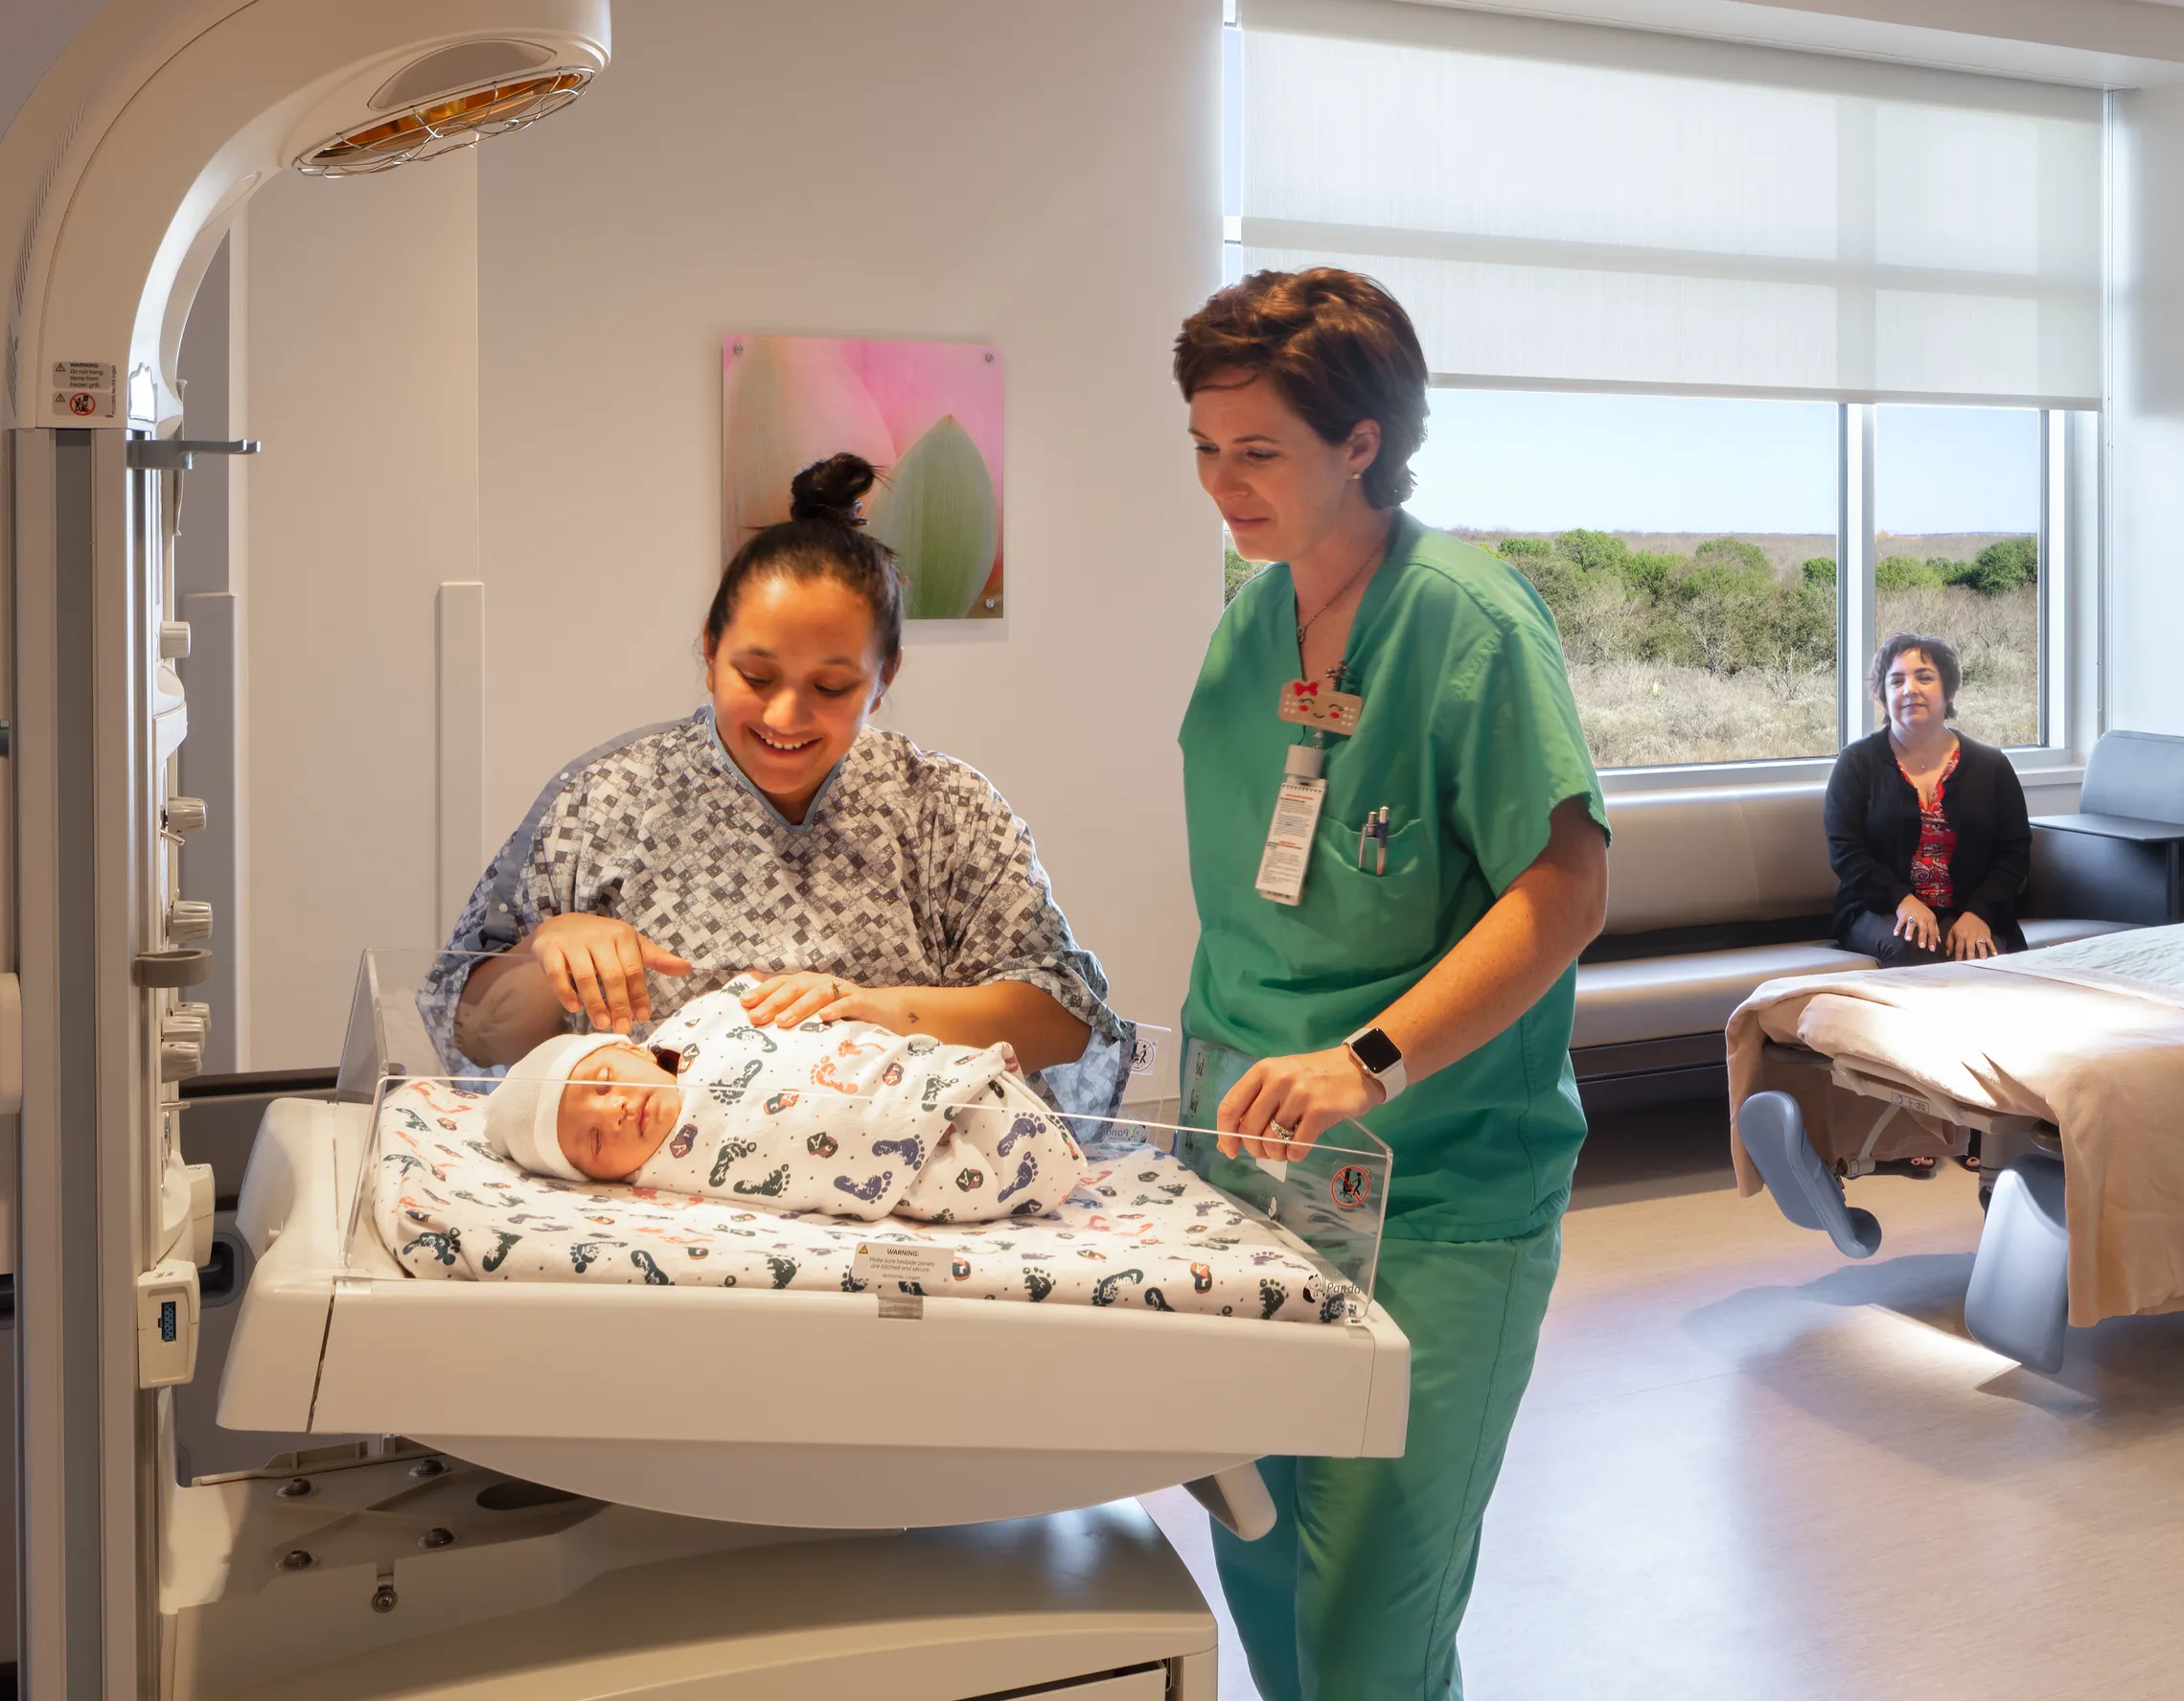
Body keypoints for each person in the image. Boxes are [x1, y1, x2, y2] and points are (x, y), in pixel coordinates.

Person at [1172, 266, 1609, 1701]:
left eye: (1258, 451)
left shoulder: (1470, 626)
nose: (1222, 484)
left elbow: (1564, 888)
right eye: (1204, 445)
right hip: (1250, 1175)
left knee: (1372, 1616)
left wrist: (1363, 1062)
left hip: (1433, 1193)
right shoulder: (1249, 624)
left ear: (1362, 443)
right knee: (1261, 1551)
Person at [432, 454, 1118, 1100]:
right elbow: (469, 1035)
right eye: (756, 677)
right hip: (649, 1184)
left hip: (885, 1190)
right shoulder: (606, 801)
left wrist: (871, 1010)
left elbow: (1063, 1017)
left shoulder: (946, 810)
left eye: (831, 686)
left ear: (884, 679)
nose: (786, 715)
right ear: (709, 649)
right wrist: (550, 953)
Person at [478, 979, 1082, 1220]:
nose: (612, 1113)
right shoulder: (663, 1184)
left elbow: (758, 1007)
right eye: (593, 1140)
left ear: (631, 1049)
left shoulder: (695, 1028)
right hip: (922, 1171)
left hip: (923, 1081)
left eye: (603, 1081)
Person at [1827, 632, 2030, 968]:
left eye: (1924, 677)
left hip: (1969, 910)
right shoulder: (1856, 763)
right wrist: (1902, 900)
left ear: (1947, 689)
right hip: (1879, 909)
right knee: (1914, 947)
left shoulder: (1990, 765)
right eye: (1896, 681)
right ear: (1882, 696)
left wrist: (1979, 913)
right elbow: (1846, 852)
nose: (1910, 689)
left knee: (1983, 950)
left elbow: (2014, 853)